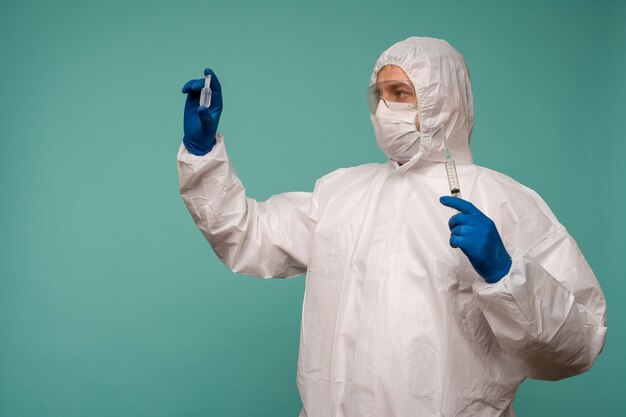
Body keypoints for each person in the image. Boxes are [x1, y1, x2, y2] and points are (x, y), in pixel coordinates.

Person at [176, 37, 607, 417]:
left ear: (443, 102)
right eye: (379, 95)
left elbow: (578, 345)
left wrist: (508, 276)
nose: (385, 109)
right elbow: (247, 234)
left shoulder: (504, 202)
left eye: (401, 93)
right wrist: (202, 155)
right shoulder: (342, 192)